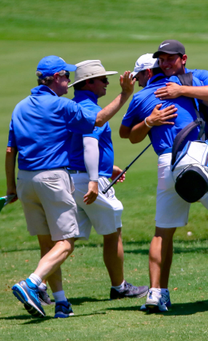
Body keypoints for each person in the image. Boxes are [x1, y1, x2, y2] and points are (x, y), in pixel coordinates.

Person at [119, 47, 208, 313]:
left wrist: (149, 122)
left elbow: (128, 136)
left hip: (166, 164)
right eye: (162, 61)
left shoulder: (142, 96)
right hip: (198, 159)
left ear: (147, 73)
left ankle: (156, 293)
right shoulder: (190, 78)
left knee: (162, 232)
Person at [6, 55, 135, 318]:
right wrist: (125, 95)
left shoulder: (20, 106)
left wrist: (11, 189)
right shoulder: (61, 105)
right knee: (65, 243)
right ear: (55, 78)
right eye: (66, 76)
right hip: (53, 179)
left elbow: (11, 150)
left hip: (25, 180)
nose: (69, 82)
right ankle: (31, 283)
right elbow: (97, 121)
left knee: (49, 244)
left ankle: (61, 302)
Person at [67, 60, 148, 299]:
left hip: (73, 177)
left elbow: (74, 146)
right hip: (90, 180)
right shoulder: (91, 110)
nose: (107, 83)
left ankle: (38, 283)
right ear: (89, 82)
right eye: (103, 79)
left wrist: (107, 166)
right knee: (113, 231)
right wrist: (95, 178)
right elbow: (89, 142)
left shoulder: (74, 106)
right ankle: (119, 287)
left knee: (67, 239)